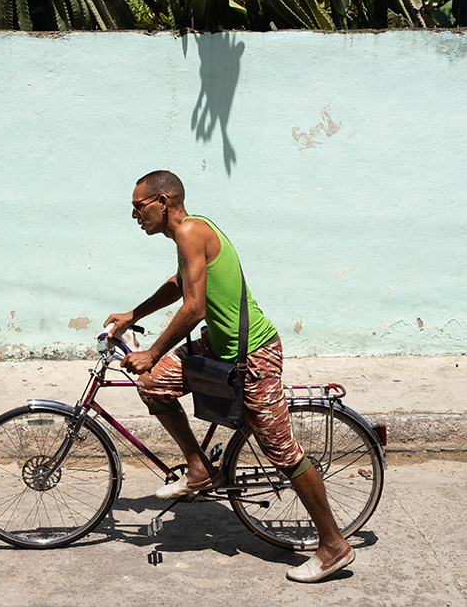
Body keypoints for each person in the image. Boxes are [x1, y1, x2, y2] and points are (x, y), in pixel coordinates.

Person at [104, 170, 354, 583]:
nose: (134, 215)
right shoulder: (189, 232)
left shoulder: (188, 231)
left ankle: (333, 546)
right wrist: (135, 314)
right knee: (152, 384)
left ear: (162, 202)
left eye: (138, 206)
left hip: (253, 354)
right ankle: (200, 468)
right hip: (222, 347)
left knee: (283, 454)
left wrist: (152, 351)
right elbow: (180, 283)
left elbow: (194, 307)